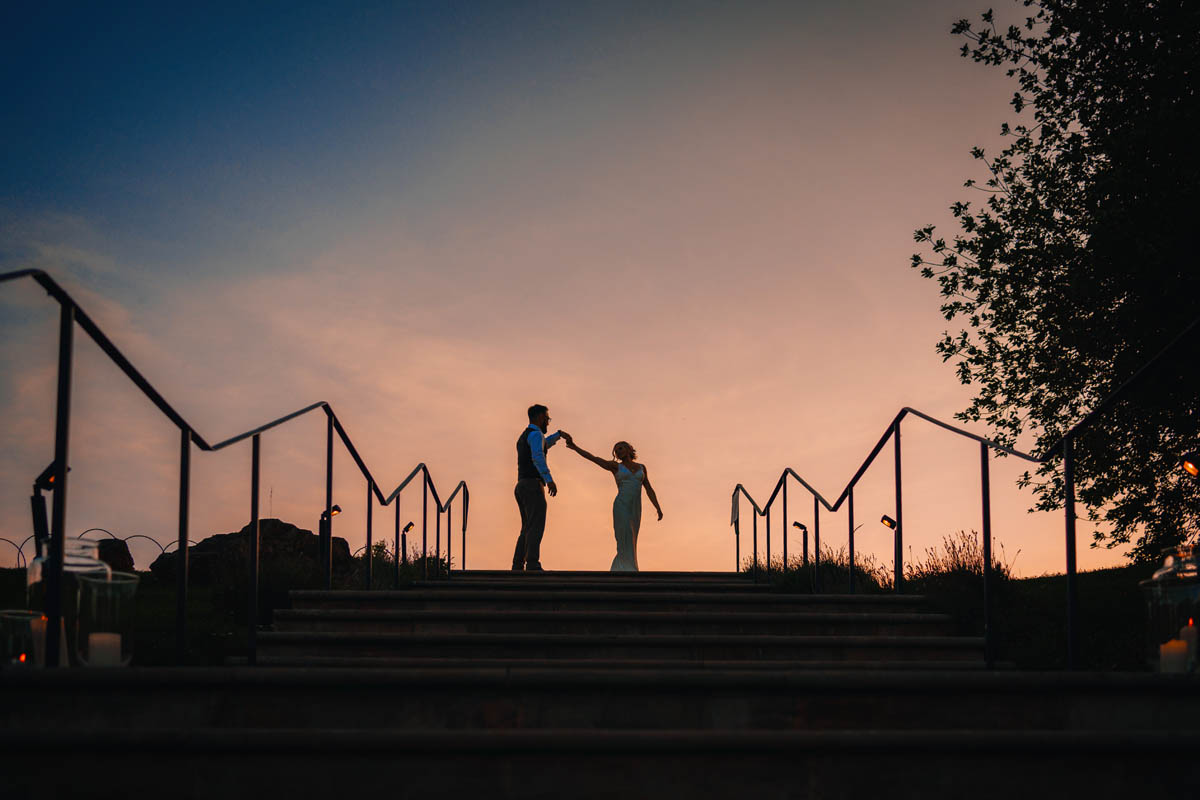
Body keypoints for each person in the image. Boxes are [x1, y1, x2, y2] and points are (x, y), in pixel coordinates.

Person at [562, 434, 663, 572]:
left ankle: (626, 569)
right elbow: (593, 458)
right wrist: (575, 447)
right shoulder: (615, 466)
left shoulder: (642, 467)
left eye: (621, 448)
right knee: (624, 537)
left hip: (635, 508)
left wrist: (658, 507)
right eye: (616, 450)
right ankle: (626, 570)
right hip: (621, 505)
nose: (618, 452)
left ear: (628, 449)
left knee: (632, 539)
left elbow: (649, 489)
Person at [512, 404, 567, 571]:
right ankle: (532, 563)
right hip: (532, 484)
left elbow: (543, 444)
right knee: (536, 524)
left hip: (521, 484)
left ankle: (518, 564)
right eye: (546, 419)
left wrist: (558, 435)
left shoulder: (527, 435)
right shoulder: (535, 435)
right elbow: (538, 456)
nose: (547, 422)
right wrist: (549, 479)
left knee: (527, 526)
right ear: (539, 417)